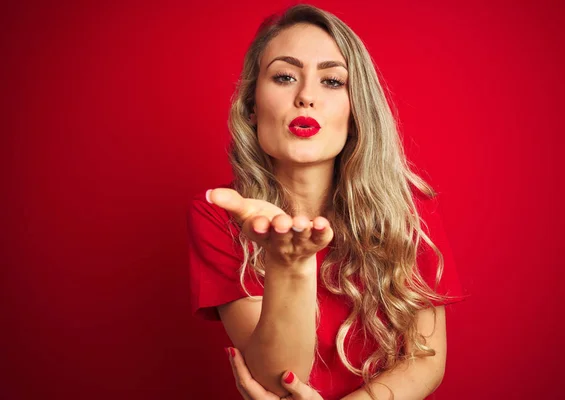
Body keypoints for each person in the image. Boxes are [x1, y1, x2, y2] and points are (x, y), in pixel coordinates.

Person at [187, 4, 465, 400]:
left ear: (356, 110)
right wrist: (291, 264)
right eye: (284, 77)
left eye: (332, 81)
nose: (306, 97)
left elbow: (427, 359)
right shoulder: (219, 214)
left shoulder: (408, 206)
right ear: (251, 106)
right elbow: (278, 378)